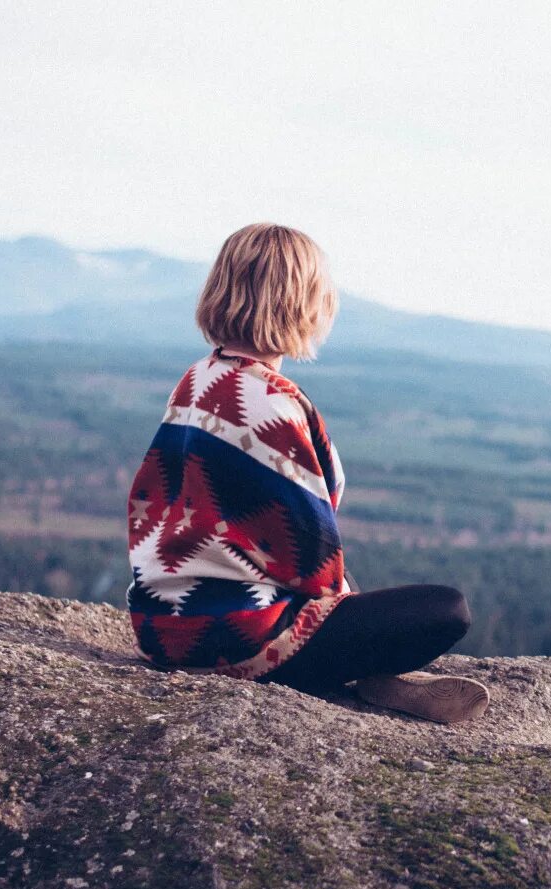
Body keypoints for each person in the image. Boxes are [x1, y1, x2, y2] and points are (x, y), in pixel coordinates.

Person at [124, 222, 489, 723]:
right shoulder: (272, 400)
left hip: (161, 624)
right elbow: (311, 558)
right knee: (446, 610)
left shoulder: (197, 379)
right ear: (302, 302)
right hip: (237, 637)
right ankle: (375, 678)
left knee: (359, 600)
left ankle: (378, 678)